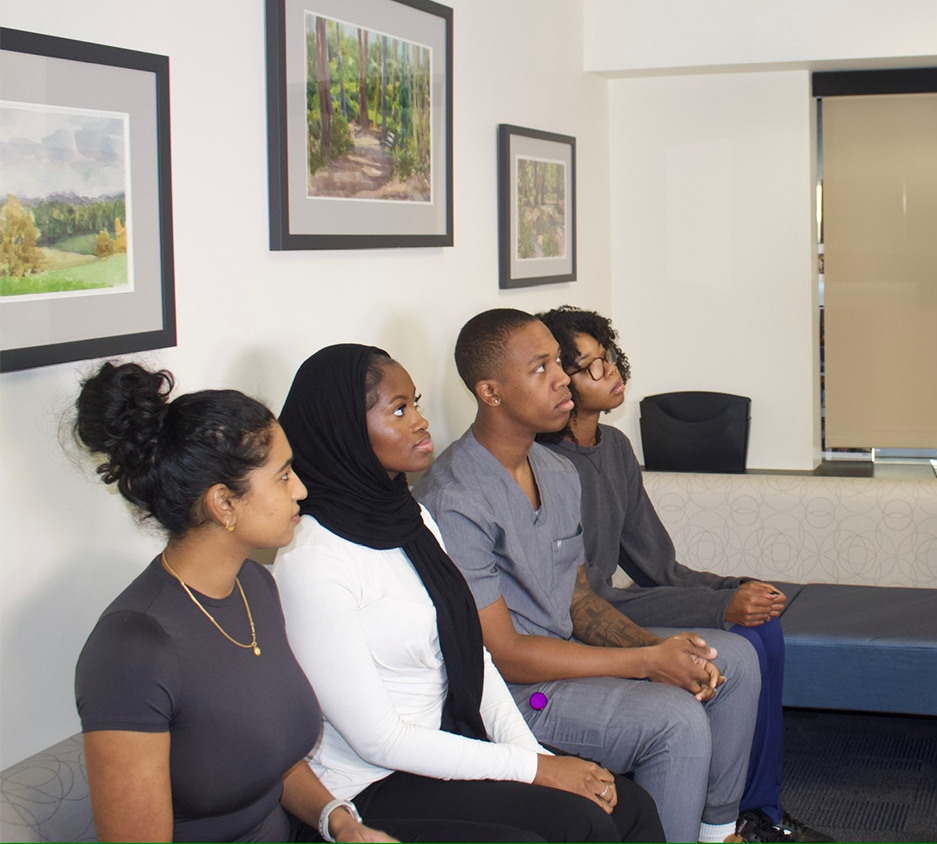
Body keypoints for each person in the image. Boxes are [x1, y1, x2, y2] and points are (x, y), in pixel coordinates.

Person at [274, 343, 665, 843]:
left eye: (414, 402)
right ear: (345, 430)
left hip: (447, 746)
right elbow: (379, 740)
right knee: (580, 822)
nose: (420, 421)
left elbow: (469, 654)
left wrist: (537, 758)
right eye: (399, 410)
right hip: (371, 784)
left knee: (627, 804)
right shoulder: (312, 557)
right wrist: (534, 771)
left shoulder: (409, 515)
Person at [413, 308, 761, 844]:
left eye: (558, 362)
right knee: (676, 718)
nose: (561, 380)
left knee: (730, 659)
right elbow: (502, 653)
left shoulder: (553, 469)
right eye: (540, 368)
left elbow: (578, 601)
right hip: (509, 695)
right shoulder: (455, 497)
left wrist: (667, 657)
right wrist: (646, 662)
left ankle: (717, 832)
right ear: (490, 391)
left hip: (563, 656)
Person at [534, 306, 830, 844]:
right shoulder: (541, 464)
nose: (611, 372)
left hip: (617, 601)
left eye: (608, 357)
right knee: (737, 640)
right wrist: (721, 608)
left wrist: (732, 586)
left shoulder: (616, 448)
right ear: (557, 378)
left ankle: (757, 809)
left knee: (763, 625)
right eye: (590, 366)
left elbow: (656, 565)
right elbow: (579, 604)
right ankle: (730, 818)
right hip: (586, 618)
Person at [71, 361, 393, 843]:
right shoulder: (132, 648)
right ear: (224, 503)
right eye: (283, 477)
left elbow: (268, 760)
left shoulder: (254, 586)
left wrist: (340, 823)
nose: (301, 490)